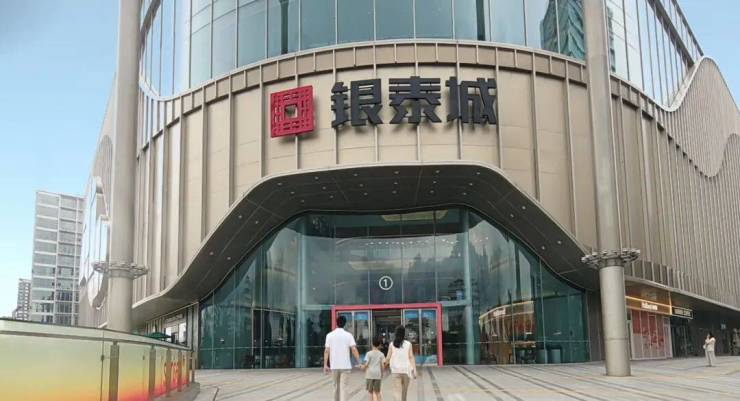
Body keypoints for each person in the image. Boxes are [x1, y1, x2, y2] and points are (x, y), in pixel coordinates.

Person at [324, 315, 361, 401]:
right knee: (344, 387)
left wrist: (325, 365)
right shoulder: (348, 335)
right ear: (345, 324)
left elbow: (326, 350)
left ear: (336, 323)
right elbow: (354, 349)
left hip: (334, 366)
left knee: (335, 387)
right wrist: (359, 361)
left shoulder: (329, 335)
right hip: (345, 366)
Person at [385, 325, 416, 401]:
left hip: (395, 371)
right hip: (406, 371)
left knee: (397, 392)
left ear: (396, 333)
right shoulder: (408, 344)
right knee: (404, 392)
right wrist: (414, 370)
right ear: (404, 333)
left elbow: (388, 358)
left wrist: (383, 365)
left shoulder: (392, 344)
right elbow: (411, 357)